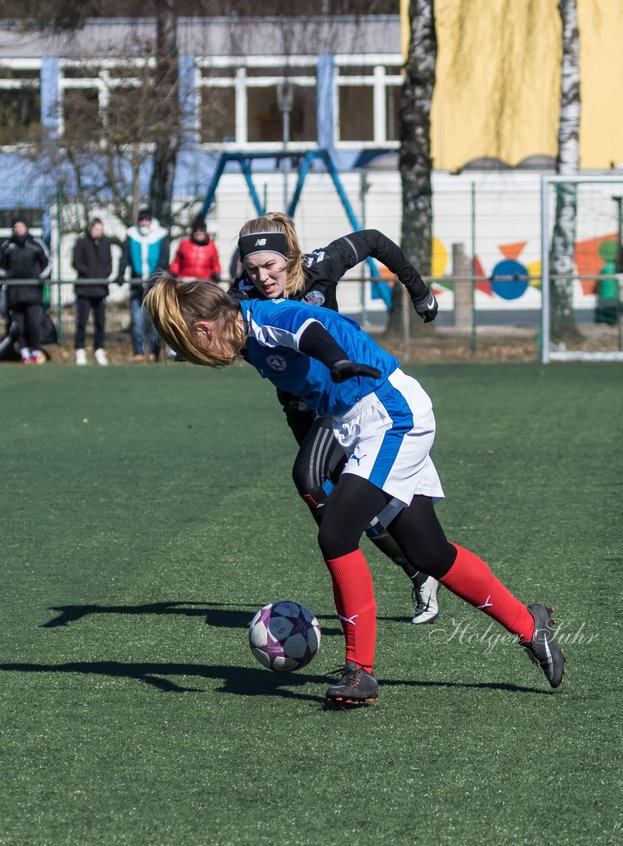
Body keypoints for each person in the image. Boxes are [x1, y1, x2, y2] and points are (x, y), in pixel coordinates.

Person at [144, 277, 565, 706]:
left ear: (203, 330)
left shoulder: (266, 321)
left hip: (389, 413)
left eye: (191, 347)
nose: (196, 358)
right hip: (357, 423)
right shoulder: (242, 332)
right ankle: (532, 626)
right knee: (429, 553)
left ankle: (359, 672)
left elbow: (308, 329)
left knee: (336, 535)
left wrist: (338, 360)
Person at [229, 212, 446, 625]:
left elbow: (376, 238)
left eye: (270, 266)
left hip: (347, 397)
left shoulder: (322, 265)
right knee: (343, 504)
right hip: (300, 407)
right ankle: (418, 571)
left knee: (310, 481)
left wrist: (419, 292)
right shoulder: (241, 293)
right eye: (252, 269)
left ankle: (390, 586)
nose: (262, 278)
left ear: (290, 258)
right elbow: (217, 320)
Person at [0, 216, 52, 365]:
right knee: (18, 325)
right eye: (15, 227)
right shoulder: (7, 245)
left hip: (33, 292)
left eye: (20, 226)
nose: (18, 229)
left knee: (33, 323)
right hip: (14, 293)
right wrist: (6, 276)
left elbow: (48, 263)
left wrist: (41, 277)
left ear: (26, 228)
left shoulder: (36, 244)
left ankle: (36, 351)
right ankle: (25, 352)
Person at [115, 208, 169, 362]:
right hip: (136, 285)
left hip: (154, 285)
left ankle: (154, 352)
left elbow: (164, 259)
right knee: (137, 320)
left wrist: (155, 276)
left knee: (154, 320)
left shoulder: (161, 236)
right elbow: (124, 258)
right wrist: (120, 273)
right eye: (142, 220)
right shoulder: (131, 236)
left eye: (147, 220)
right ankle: (138, 352)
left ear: (151, 221)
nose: (144, 223)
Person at [71, 217, 112, 365]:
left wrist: (103, 274)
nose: (98, 232)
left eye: (101, 230)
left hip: (100, 290)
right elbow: (76, 262)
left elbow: (109, 265)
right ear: (90, 228)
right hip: (84, 290)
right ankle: (80, 350)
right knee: (81, 322)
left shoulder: (106, 243)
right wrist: (89, 273)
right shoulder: (81, 242)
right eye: (96, 229)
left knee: (100, 322)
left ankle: (99, 349)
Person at [168, 215, 221, 283]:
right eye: (196, 230)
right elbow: (177, 262)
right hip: (185, 280)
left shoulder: (211, 246)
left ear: (205, 232)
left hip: (203, 282)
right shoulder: (184, 243)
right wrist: (173, 272)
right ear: (193, 232)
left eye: (201, 230)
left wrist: (217, 273)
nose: (199, 232)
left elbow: (215, 263)